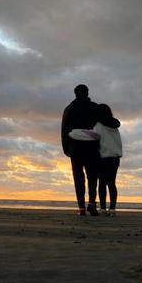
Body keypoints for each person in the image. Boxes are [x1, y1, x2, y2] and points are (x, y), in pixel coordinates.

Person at [61, 84, 100, 216]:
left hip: (75, 147)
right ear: (87, 93)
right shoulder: (95, 107)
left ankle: (81, 207)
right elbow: (102, 127)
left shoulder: (69, 108)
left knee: (78, 177)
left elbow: (64, 129)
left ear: (75, 94)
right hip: (92, 146)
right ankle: (91, 203)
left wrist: (66, 148)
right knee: (92, 176)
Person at [93, 104, 122, 216]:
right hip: (115, 158)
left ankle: (103, 209)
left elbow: (95, 141)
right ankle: (113, 209)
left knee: (102, 183)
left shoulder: (98, 126)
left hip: (102, 157)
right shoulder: (115, 127)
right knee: (112, 183)